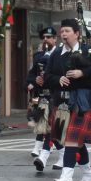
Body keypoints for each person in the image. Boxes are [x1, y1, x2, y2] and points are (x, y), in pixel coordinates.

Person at [43, 18, 91, 181]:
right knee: (76, 142)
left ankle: (66, 179)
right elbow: (47, 77)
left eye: (67, 31)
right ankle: (87, 175)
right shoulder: (56, 53)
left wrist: (83, 72)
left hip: (82, 101)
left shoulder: (88, 50)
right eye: (62, 31)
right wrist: (58, 79)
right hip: (62, 103)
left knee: (72, 140)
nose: (63, 34)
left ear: (77, 33)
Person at [26, 26, 65, 171]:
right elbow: (31, 75)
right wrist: (35, 80)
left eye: (49, 37)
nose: (46, 40)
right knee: (48, 128)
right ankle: (55, 156)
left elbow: (62, 76)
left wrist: (48, 80)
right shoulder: (38, 56)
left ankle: (45, 156)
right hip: (41, 97)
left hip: (55, 97)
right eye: (44, 38)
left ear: (55, 39)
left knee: (51, 128)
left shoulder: (61, 54)